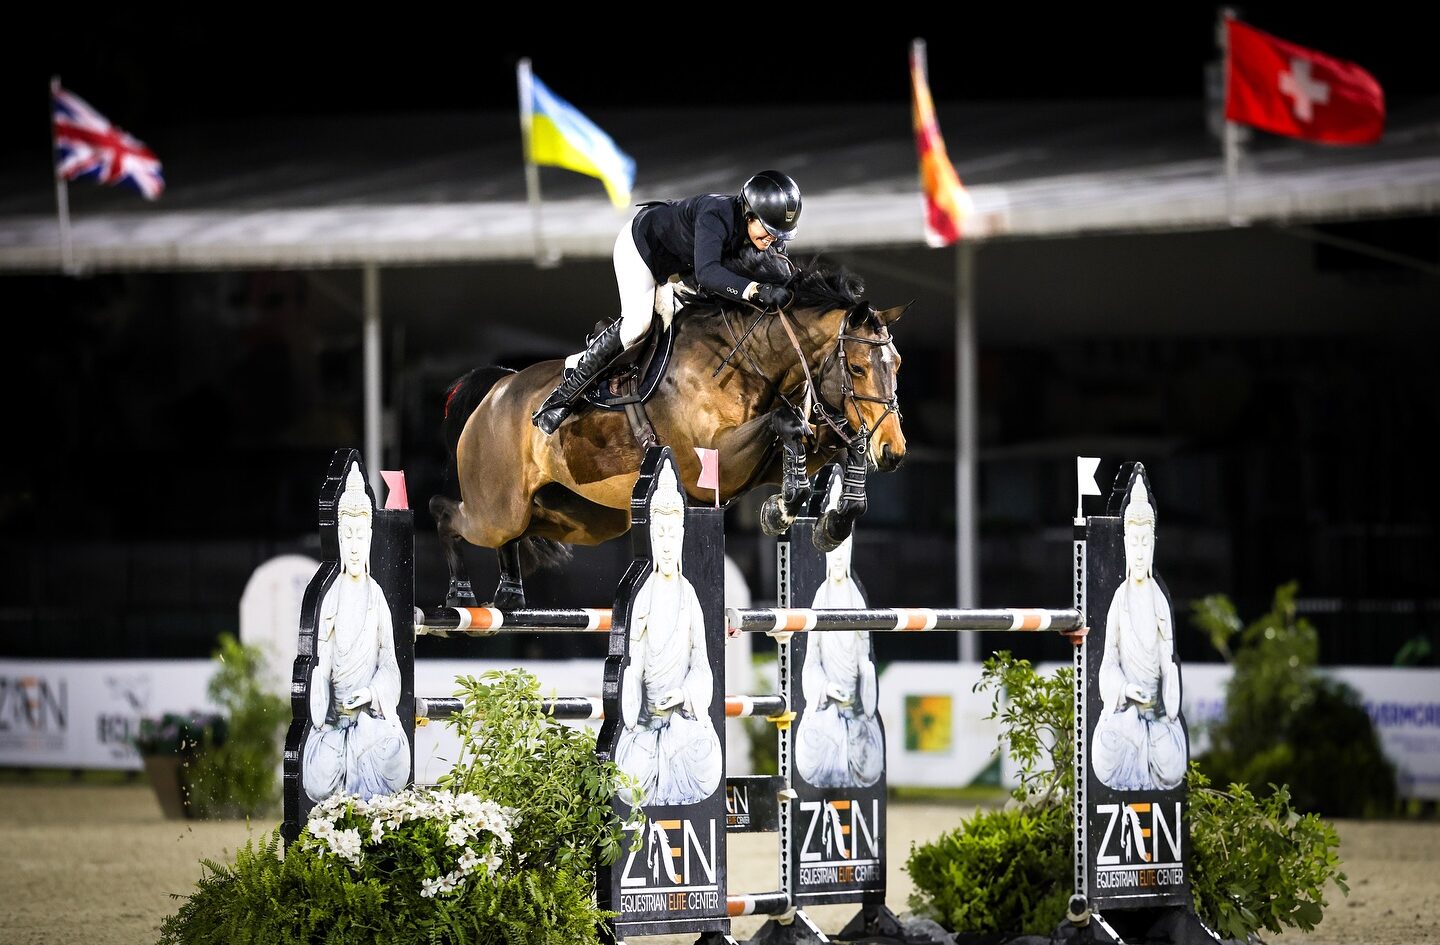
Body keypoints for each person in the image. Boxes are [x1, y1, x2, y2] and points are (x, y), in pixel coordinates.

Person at [531, 170, 803, 434]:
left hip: (682, 266)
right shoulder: (715, 214)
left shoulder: (767, 237)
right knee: (637, 325)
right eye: (768, 231)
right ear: (748, 213)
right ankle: (563, 395)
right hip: (643, 248)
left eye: (778, 235)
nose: (771, 240)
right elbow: (708, 274)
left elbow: (778, 270)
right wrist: (755, 290)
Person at [614, 460, 724, 807]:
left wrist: (683, 695)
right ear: (650, 536)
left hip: (682, 722)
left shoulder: (688, 595)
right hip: (647, 727)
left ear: (681, 537)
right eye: (659, 534)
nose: (665, 544)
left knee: (707, 767)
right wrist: (635, 711)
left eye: (672, 534)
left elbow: (701, 663)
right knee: (629, 783)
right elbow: (632, 665)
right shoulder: (643, 595)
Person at [303, 462, 410, 802]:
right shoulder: (331, 597)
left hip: (370, 722)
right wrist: (321, 697)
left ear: (369, 539)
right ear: (338, 537)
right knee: (318, 775)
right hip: (336, 728)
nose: (353, 546)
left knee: (393, 753)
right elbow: (322, 664)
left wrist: (370, 694)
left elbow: (390, 664)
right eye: (347, 535)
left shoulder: (375, 596)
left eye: (360, 536)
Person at [1090, 478, 1188, 791]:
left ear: (1153, 545)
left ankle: (1149, 741)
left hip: (1155, 715)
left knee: (1173, 764)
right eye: (1134, 543)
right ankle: (1134, 735)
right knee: (1105, 754)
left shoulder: (1159, 601)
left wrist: (1167, 701)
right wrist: (1126, 689)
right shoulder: (1120, 600)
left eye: (1146, 543)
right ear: (1125, 546)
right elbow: (1108, 661)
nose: (1140, 552)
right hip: (1126, 713)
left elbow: (1167, 663)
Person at [793, 477, 884, 788]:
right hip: (827, 703)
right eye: (834, 549)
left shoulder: (855, 598)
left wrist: (865, 684)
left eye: (844, 548)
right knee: (815, 747)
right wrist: (826, 689)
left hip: (854, 707)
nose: (839, 556)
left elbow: (863, 657)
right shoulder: (821, 597)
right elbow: (811, 661)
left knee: (868, 757)